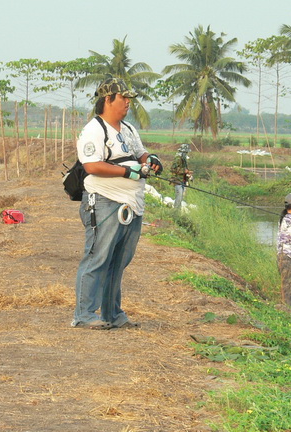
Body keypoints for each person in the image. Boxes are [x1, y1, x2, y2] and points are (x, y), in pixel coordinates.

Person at [72, 77, 163, 330]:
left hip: (132, 204)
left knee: (118, 261)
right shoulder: (95, 130)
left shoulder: (128, 129)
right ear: (108, 100)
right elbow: (92, 166)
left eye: (128, 99)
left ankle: (112, 314)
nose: (127, 103)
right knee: (97, 258)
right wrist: (127, 173)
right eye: (123, 98)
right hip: (104, 201)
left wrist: (151, 159)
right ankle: (85, 315)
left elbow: (140, 152)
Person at [170, 143, 193, 209]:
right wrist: (184, 171)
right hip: (178, 180)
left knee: (181, 197)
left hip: (183, 180)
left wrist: (188, 173)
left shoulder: (184, 159)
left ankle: (178, 212)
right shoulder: (178, 158)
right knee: (178, 197)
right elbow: (173, 169)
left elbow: (184, 169)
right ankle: (176, 213)